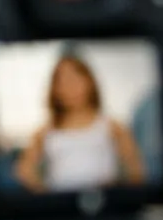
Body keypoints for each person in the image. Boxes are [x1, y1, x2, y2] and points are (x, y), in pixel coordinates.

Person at [13, 52, 146, 192]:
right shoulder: (45, 132)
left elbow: (136, 168)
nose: (70, 87)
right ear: (55, 90)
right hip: (63, 209)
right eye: (62, 81)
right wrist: (47, 197)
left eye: (75, 79)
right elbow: (23, 169)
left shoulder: (112, 126)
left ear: (89, 82)